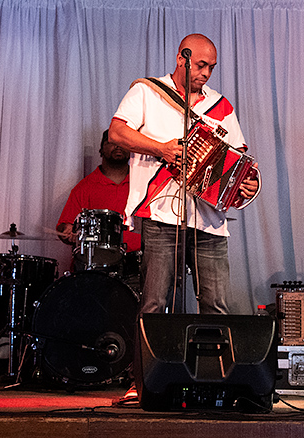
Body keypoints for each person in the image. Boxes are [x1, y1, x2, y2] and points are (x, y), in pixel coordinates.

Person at [108, 33, 259, 315]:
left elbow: (238, 163)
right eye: (201, 65)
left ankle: (213, 361)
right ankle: (153, 362)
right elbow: (117, 133)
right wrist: (161, 149)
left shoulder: (220, 105)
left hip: (209, 219)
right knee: (154, 304)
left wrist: (246, 186)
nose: (206, 73)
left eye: (212, 67)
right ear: (182, 59)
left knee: (217, 306)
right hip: (161, 213)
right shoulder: (148, 91)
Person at [56, 130, 142, 272]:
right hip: (95, 267)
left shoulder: (144, 184)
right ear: (101, 150)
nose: (118, 147)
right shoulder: (84, 187)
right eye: (112, 143)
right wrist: (67, 231)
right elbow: (64, 227)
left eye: (123, 143)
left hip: (138, 266)